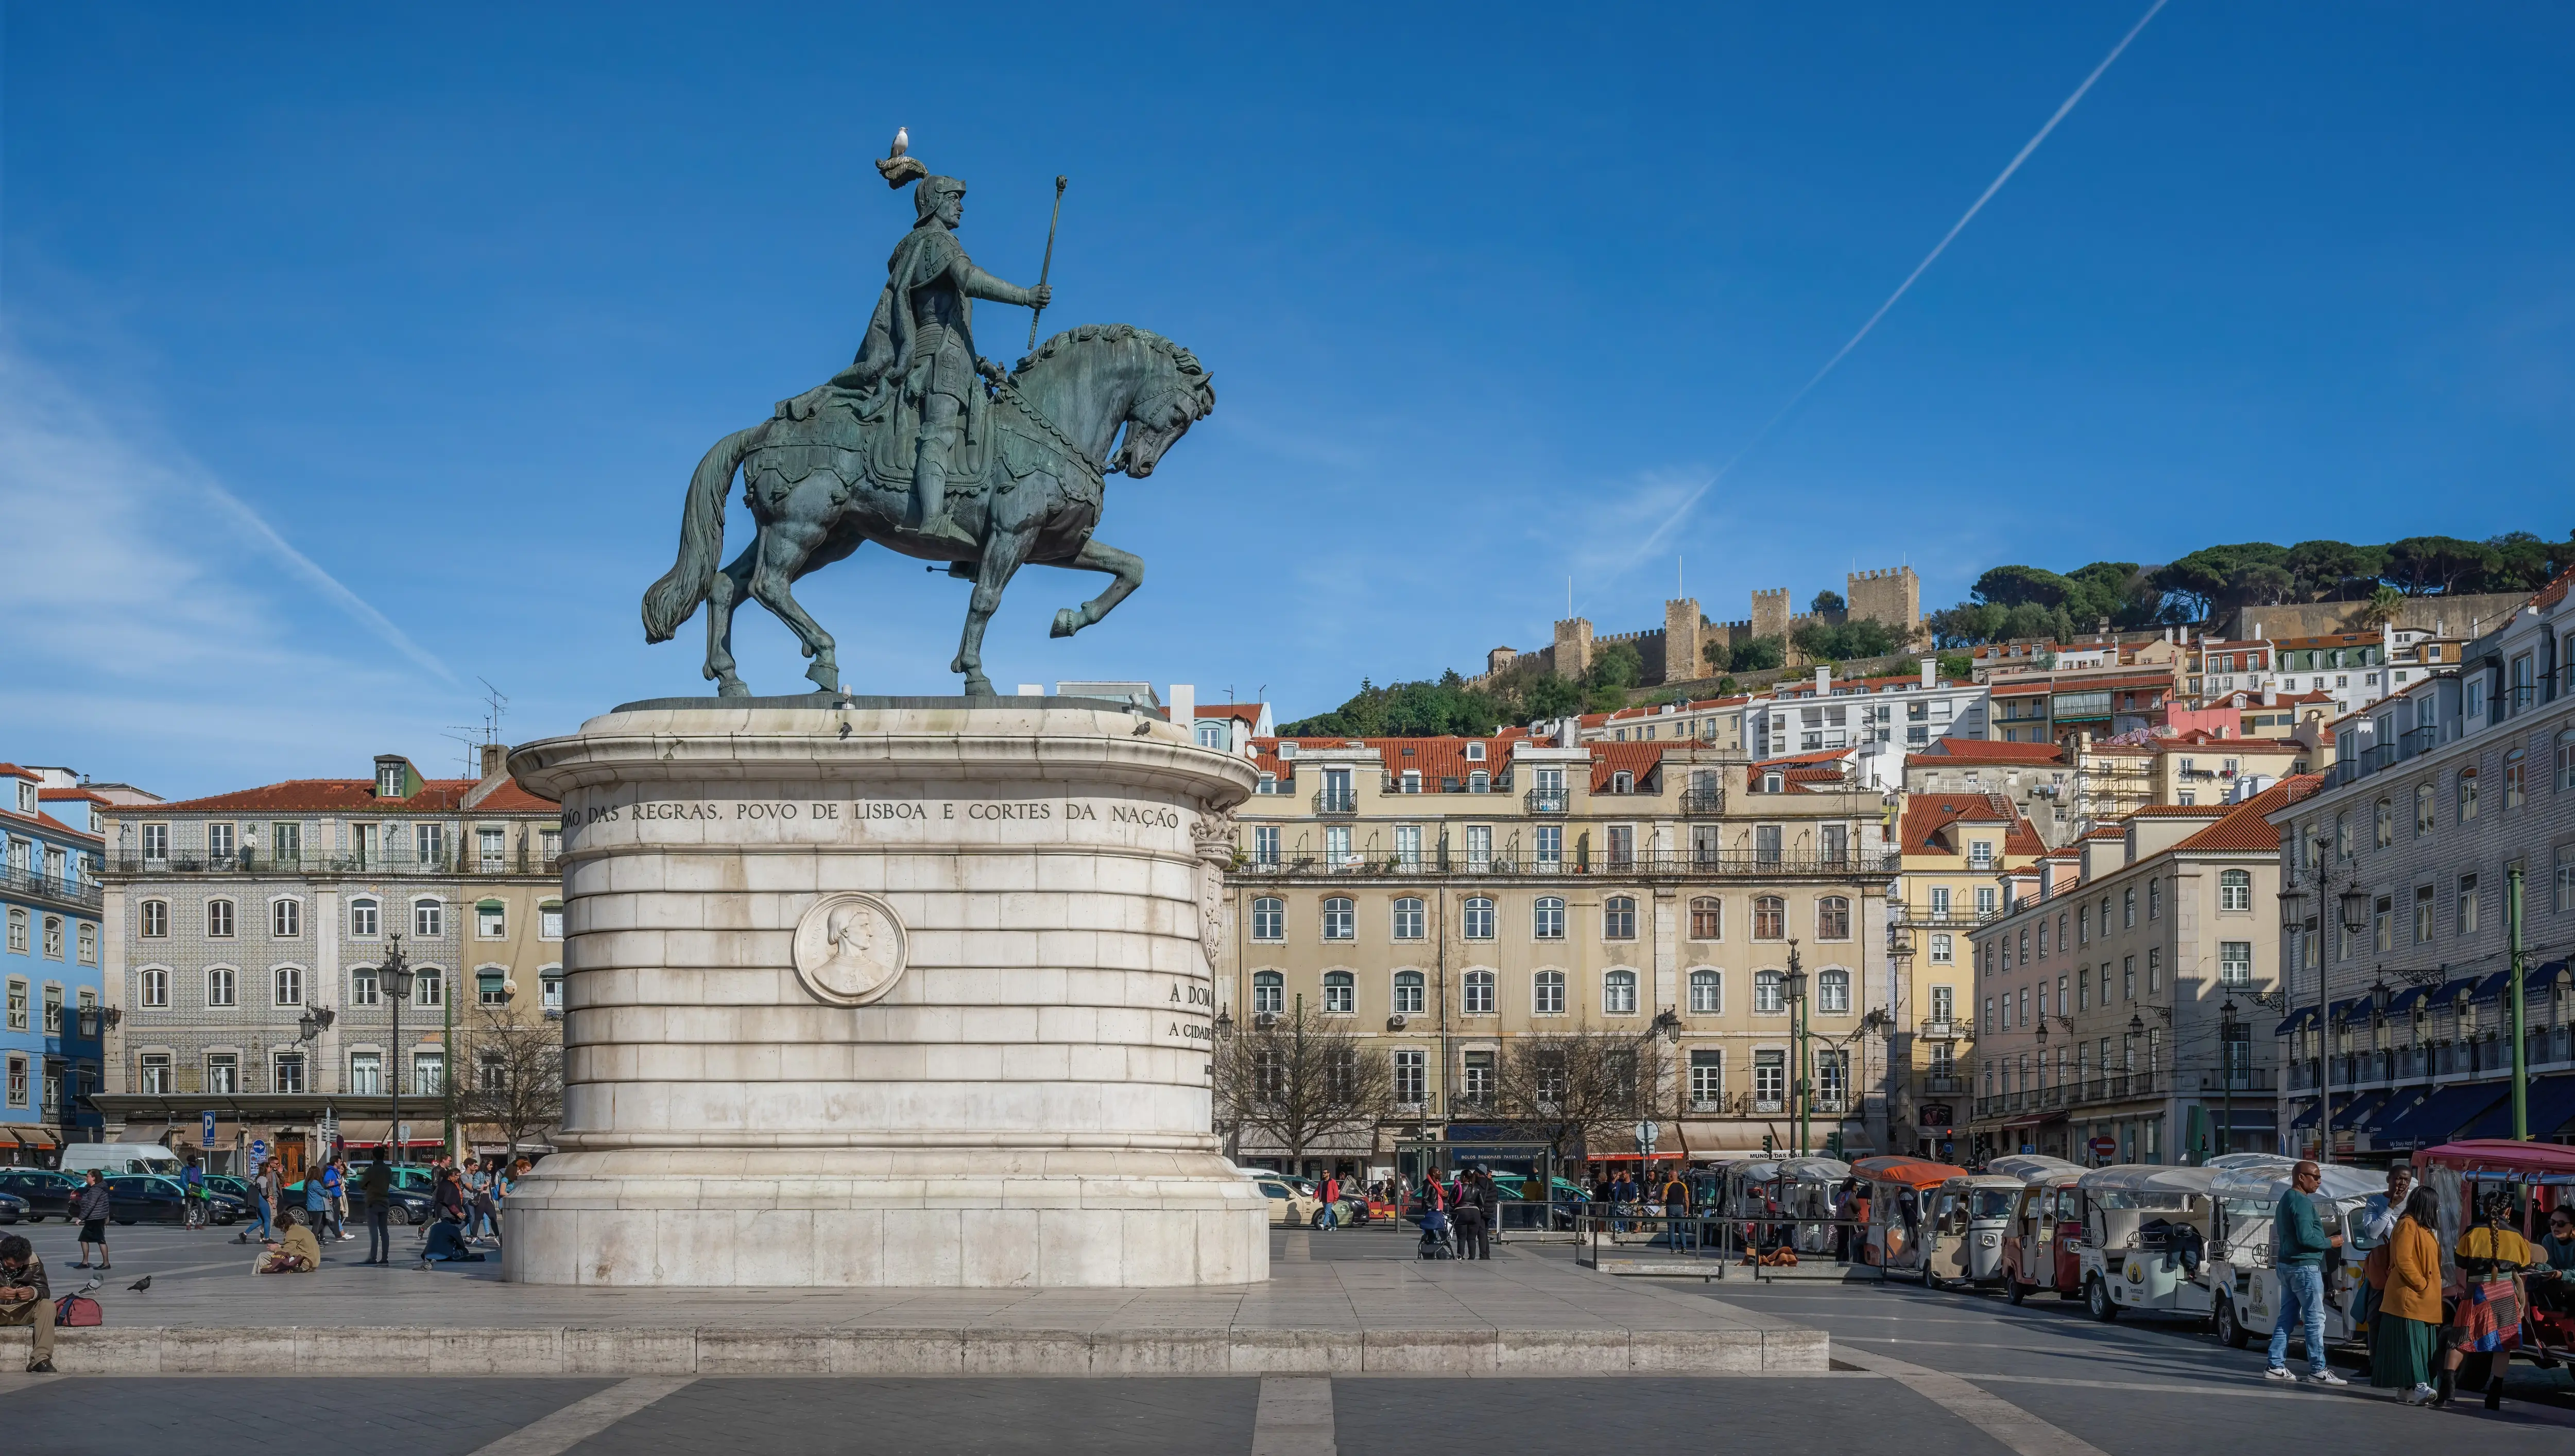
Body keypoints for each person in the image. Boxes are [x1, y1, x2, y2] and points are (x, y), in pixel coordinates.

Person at [823, 173, 1052, 551]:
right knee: (940, 430)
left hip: (953, 354)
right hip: (939, 359)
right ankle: (932, 516)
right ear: (936, 202)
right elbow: (968, 280)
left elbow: (952, 322)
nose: (961, 206)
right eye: (955, 198)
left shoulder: (919, 246)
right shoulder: (938, 243)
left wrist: (981, 365)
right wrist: (1024, 296)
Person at [2438, 1191, 2537, 1408]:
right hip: (2504, 1292)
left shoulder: (2472, 1232)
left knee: (2460, 1340)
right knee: (2503, 1345)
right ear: (2508, 1210)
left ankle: (2447, 1390)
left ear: (2482, 1208)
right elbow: (2523, 1265)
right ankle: (2494, 1395)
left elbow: (2461, 1262)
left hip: (2475, 1291)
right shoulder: (2517, 1236)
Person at [2263, 1159, 2348, 1384]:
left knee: (2288, 1317)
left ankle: (2276, 1364)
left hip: (2287, 1265)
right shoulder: (2301, 1201)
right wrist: (2331, 1242)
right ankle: (2318, 1369)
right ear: (2301, 1177)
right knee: (2315, 1318)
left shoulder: (2286, 1200)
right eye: (2316, 1177)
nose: (2319, 1182)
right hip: (2304, 1267)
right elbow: (2306, 1237)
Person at [2372, 1186, 2442, 1405]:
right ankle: (2418, 1385)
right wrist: (2421, 1283)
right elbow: (2403, 1260)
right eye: (2435, 1205)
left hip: (2421, 1297)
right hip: (2410, 1295)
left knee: (2419, 1344)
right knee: (2413, 1344)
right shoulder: (2407, 1224)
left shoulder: (2422, 1228)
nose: (2437, 1209)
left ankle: (2407, 1389)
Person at [2349, 1163, 2412, 1339]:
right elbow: (2373, 1232)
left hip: (2405, 1265)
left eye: (2406, 1179)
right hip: (2384, 1266)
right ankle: (2374, 1361)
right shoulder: (2375, 1201)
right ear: (2388, 1180)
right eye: (2398, 1178)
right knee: (2376, 1316)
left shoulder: (2413, 1203)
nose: (2402, 1184)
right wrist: (2391, 1207)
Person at [0, 1233, 54, 1373]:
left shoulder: (33, 1261)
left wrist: (33, 1292)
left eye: (17, 1266)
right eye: (8, 1265)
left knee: (48, 1305)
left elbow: (44, 1290)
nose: (12, 1268)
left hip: (21, 1310)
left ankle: (41, 1359)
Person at [257, 1207, 322, 1275]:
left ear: (283, 1226)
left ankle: (257, 1276)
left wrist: (276, 1249)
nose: (281, 1231)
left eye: (280, 1228)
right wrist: (280, 1246)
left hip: (305, 1263)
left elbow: (287, 1251)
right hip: (313, 1261)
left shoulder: (292, 1232)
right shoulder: (301, 1229)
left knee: (262, 1256)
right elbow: (295, 1247)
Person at [71, 1170, 112, 1271]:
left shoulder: (96, 1190)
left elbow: (91, 1205)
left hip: (96, 1218)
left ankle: (106, 1263)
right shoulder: (92, 1188)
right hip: (94, 1218)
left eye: (88, 1176)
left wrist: (81, 1218)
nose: (87, 1178)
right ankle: (85, 1262)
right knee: (84, 1239)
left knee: (100, 1240)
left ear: (94, 1178)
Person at [360, 1148, 395, 1266]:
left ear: (373, 1155)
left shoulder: (371, 1170)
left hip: (373, 1201)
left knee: (374, 1231)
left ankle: (373, 1257)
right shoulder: (388, 1170)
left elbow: (361, 1184)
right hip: (385, 1201)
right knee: (384, 1231)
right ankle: (385, 1258)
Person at [322, 1157, 349, 1241]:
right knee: (333, 1218)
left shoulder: (336, 1171)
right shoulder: (330, 1172)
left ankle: (338, 1235)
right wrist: (338, 1182)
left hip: (336, 1196)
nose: (341, 1163)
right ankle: (338, 1235)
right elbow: (326, 1182)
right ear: (335, 1163)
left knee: (336, 1217)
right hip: (333, 1197)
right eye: (340, 1162)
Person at [181, 1155, 208, 1229]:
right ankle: (188, 1225)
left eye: (195, 1161)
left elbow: (201, 1179)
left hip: (198, 1190)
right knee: (188, 1208)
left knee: (201, 1206)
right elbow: (183, 1181)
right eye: (193, 1161)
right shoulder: (185, 1170)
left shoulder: (198, 1169)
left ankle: (198, 1224)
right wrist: (187, 1189)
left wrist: (205, 1188)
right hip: (190, 1191)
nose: (195, 1162)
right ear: (189, 1162)